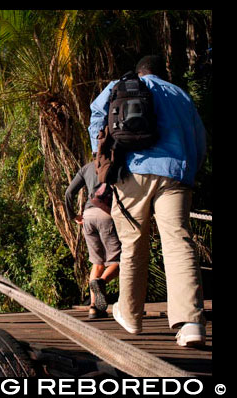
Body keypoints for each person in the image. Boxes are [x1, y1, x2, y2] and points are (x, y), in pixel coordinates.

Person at [88, 55, 207, 346]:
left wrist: (101, 156)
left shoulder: (120, 85)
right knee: (179, 242)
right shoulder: (180, 95)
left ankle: (130, 315)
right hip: (175, 174)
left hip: (132, 172)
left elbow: (96, 116)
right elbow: (200, 139)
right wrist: (189, 169)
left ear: (140, 72)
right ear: (163, 73)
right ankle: (190, 323)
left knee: (132, 244)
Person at [65, 158, 120, 319]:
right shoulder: (115, 164)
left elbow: (68, 193)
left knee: (97, 263)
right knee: (120, 262)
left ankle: (94, 308)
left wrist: (73, 215)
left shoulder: (86, 168)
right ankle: (101, 282)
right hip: (106, 214)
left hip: (87, 217)